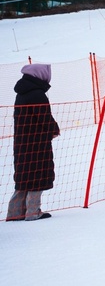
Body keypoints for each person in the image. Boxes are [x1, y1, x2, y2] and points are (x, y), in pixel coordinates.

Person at [7, 64, 59, 221]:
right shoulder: (37, 94)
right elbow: (44, 117)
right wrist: (53, 129)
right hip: (37, 142)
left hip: (22, 141)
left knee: (24, 176)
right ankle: (32, 211)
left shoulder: (22, 93)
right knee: (37, 174)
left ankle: (15, 213)